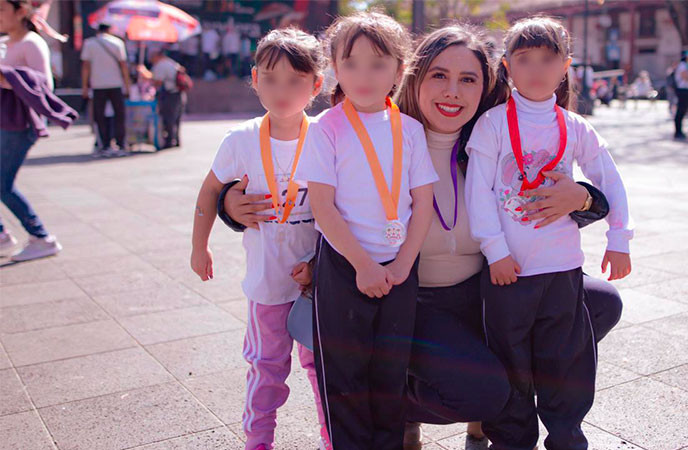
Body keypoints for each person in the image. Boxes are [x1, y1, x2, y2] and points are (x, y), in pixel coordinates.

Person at [220, 23, 626, 450]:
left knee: (598, 303)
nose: (453, 91)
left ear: (487, 85)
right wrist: (229, 205)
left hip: (479, 295)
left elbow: (540, 207)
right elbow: (304, 192)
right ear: (412, 74)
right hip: (410, 303)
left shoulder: (491, 137)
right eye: (439, 75)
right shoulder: (388, 132)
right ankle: (404, 407)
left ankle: (490, 400)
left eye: (468, 79)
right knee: (482, 389)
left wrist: (583, 198)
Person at [465, 16, 632, 450]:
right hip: (509, 273)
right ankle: (512, 441)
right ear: (507, 67)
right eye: (524, 59)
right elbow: (478, 193)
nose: (536, 69)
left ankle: (566, 435)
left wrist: (619, 239)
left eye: (547, 59)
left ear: (566, 67)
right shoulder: (493, 124)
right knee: (510, 363)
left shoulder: (576, 127)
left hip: (563, 270)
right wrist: (495, 250)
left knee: (568, 362)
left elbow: (609, 182)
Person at [293, 11, 438, 448]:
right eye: (350, 62)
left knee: (390, 374)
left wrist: (401, 265)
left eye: (378, 63)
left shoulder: (410, 130)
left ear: (400, 68)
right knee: (345, 377)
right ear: (334, 67)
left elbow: (424, 203)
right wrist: (363, 265)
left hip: (400, 269)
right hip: (343, 267)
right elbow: (323, 207)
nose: (363, 75)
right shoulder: (326, 130)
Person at [189, 28, 330, 450]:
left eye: (294, 80)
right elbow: (210, 191)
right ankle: (257, 441)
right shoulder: (241, 139)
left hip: (318, 286)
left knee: (322, 369)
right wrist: (200, 245)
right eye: (270, 78)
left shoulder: (327, 134)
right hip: (267, 286)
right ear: (254, 78)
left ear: (316, 84)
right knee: (266, 369)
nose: (281, 90)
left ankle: (333, 438)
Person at [0, 0, 64, 261]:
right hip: (6, 121)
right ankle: (3, 236)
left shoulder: (31, 43)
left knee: (3, 185)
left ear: (21, 11)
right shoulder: (5, 42)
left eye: (2, 9)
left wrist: (5, 78)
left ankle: (41, 237)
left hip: (21, 124)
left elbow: (43, 86)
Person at [81, 21, 130, 156]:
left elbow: (86, 67)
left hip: (98, 84)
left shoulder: (89, 43)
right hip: (116, 84)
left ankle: (104, 144)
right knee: (119, 115)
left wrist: (85, 86)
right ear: (110, 29)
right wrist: (127, 85)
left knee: (99, 116)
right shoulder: (117, 43)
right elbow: (123, 66)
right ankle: (120, 144)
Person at [138, 49, 184, 148]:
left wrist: (145, 74)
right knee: (176, 118)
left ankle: (169, 141)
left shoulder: (161, 65)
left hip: (169, 94)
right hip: (178, 93)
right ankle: (176, 139)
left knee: (168, 118)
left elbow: (158, 81)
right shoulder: (171, 62)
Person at [673, 49, 688, 139]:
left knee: (683, 110)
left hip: (686, 89)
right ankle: (678, 131)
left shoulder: (687, 65)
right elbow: (685, 77)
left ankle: (679, 130)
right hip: (683, 90)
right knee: (680, 110)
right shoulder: (683, 65)